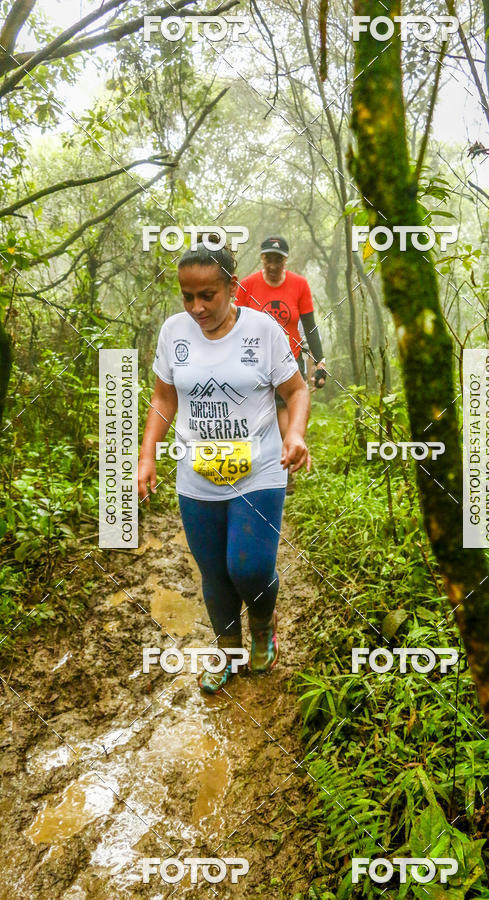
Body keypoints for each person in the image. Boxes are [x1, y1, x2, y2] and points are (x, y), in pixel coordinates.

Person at [137, 240, 310, 694]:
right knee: (214, 572)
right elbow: (164, 397)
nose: (196, 307)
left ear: (232, 286)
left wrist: (294, 435)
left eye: (207, 295)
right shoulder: (174, 332)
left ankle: (262, 625)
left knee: (248, 567)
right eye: (187, 296)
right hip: (197, 474)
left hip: (259, 468)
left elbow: (295, 391)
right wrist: (147, 454)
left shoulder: (263, 331)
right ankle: (228, 649)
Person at [235, 236, 327, 442]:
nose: (273, 265)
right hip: (254, 363)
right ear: (262, 258)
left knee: (288, 421)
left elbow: (310, 327)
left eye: (278, 260)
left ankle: (290, 456)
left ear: (286, 260)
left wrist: (320, 361)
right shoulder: (247, 285)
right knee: (256, 423)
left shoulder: (299, 285)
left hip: (289, 361)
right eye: (268, 259)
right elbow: (236, 327)